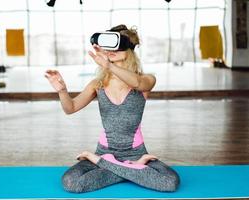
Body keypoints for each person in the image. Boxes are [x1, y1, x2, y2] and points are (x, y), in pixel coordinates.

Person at [45, 24, 180, 193]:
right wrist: (62, 91)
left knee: (170, 182)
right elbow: (70, 108)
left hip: (136, 154)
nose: (110, 50)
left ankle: (108, 164)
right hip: (104, 152)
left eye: (116, 45)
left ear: (129, 49)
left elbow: (137, 83)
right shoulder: (97, 84)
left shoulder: (146, 80)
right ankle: (132, 169)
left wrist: (108, 65)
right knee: (71, 182)